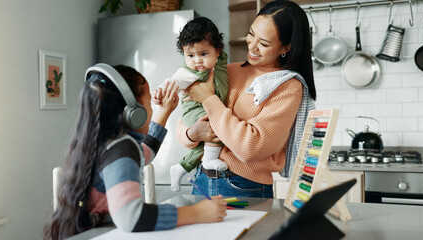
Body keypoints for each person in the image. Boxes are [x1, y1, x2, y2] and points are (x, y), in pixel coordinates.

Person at [44, 64, 227, 239]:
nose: (151, 107)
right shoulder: (121, 148)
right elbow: (130, 217)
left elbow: (144, 152)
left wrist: (164, 111)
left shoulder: (105, 142)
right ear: (133, 111)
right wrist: (196, 212)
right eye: (148, 101)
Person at [178, 0, 316, 198]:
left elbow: (251, 147)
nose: (252, 46)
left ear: (285, 47)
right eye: (251, 34)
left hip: (243, 185)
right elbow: (185, 118)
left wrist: (209, 99)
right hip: (201, 177)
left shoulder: (288, 87)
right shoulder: (229, 70)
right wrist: (192, 133)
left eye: (264, 43)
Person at [153, 17, 229, 192]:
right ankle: (209, 161)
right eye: (190, 55)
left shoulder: (220, 63)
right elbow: (173, 82)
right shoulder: (189, 72)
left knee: (204, 144)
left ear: (218, 51)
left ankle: (180, 168)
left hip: (207, 108)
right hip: (195, 111)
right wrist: (160, 93)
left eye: (203, 54)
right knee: (217, 124)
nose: (197, 61)